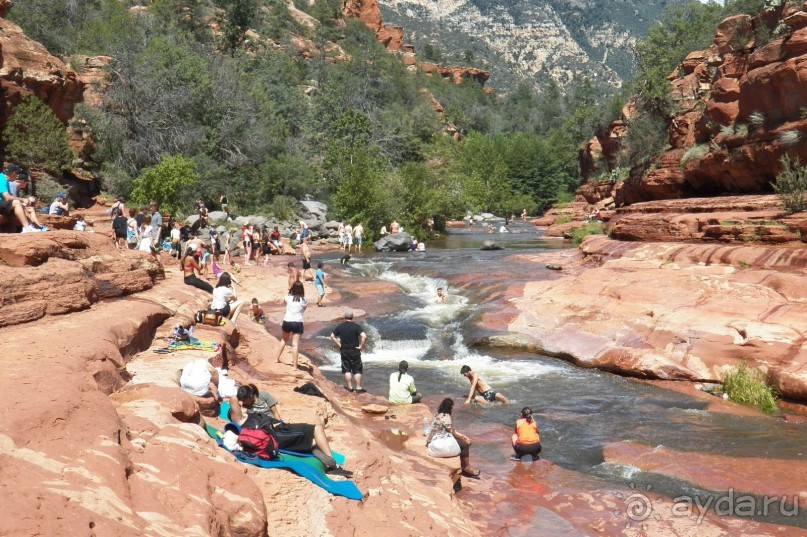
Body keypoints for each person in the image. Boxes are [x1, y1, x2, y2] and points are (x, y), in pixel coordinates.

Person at [229, 386, 350, 475]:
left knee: (314, 441)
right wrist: (241, 403)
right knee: (317, 429)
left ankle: (316, 451)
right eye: (240, 406)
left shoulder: (250, 412)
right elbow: (233, 400)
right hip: (277, 433)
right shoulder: (240, 420)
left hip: (281, 428)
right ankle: (333, 464)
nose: (243, 406)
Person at [426, 398, 479, 477]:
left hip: (435, 445)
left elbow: (433, 432)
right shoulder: (446, 417)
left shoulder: (437, 416)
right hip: (443, 446)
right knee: (464, 445)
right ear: (450, 408)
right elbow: (452, 433)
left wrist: (428, 442)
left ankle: (463, 467)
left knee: (460, 442)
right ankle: (466, 468)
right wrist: (465, 439)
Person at [329, 309, 367, 393]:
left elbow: (332, 336)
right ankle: (358, 387)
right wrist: (361, 346)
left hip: (344, 350)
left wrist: (340, 345)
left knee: (346, 369)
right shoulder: (356, 326)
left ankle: (350, 387)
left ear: (344, 317)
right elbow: (364, 336)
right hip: (354, 350)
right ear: (352, 317)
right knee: (357, 369)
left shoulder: (340, 326)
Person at [0, 164, 41, 233]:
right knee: (17, 202)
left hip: (2, 203)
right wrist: (22, 199)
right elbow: (7, 197)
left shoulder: (4, 180)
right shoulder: (1, 180)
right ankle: (27, 228)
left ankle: (31, 226)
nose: (17, 177)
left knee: (21, 204)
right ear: (13, 173)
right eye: (17, 174)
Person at [275, 281, 307, 369]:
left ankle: (276, 358)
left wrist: (289, 291)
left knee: (284, 340)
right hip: (297, 322)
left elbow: (284, 301)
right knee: (295, 344)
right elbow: (303, 310)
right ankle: (294, 366)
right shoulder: (304, 300)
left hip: (287, 321)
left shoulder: (288, 298)